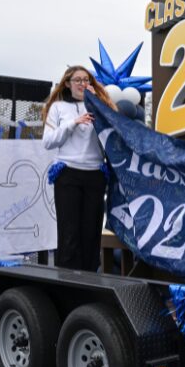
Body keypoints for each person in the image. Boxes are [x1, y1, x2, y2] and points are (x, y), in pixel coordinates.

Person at [42, 65, 117, 271]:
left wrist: (97, 106)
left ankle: (90, 276)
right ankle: (67, 278)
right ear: (67, 83)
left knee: (91, 231)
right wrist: (73, 123)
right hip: (68, 173)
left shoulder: (100, 106)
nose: (83, 84)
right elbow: (48, 141)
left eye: (86, 80)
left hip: (95, 173)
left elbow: (113, 134)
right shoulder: (58, 108)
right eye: (78, 80)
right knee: (69, 231)